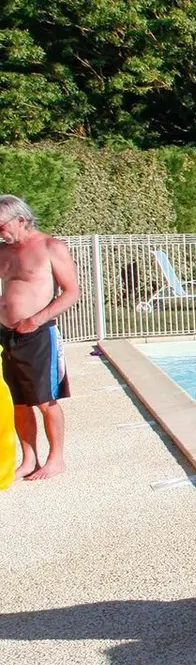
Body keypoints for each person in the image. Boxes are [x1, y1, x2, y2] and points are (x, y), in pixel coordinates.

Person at [0, 196, 80, 480]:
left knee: (46, 400)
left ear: (21, 220)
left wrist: (36, 318)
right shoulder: (4, 251)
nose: (0, 233)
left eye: (1, 226)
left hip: (38, 334)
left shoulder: (50, 247)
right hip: (6, 334)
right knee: (17, 401)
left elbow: (72, 292)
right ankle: (29, 458)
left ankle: (56, 458)